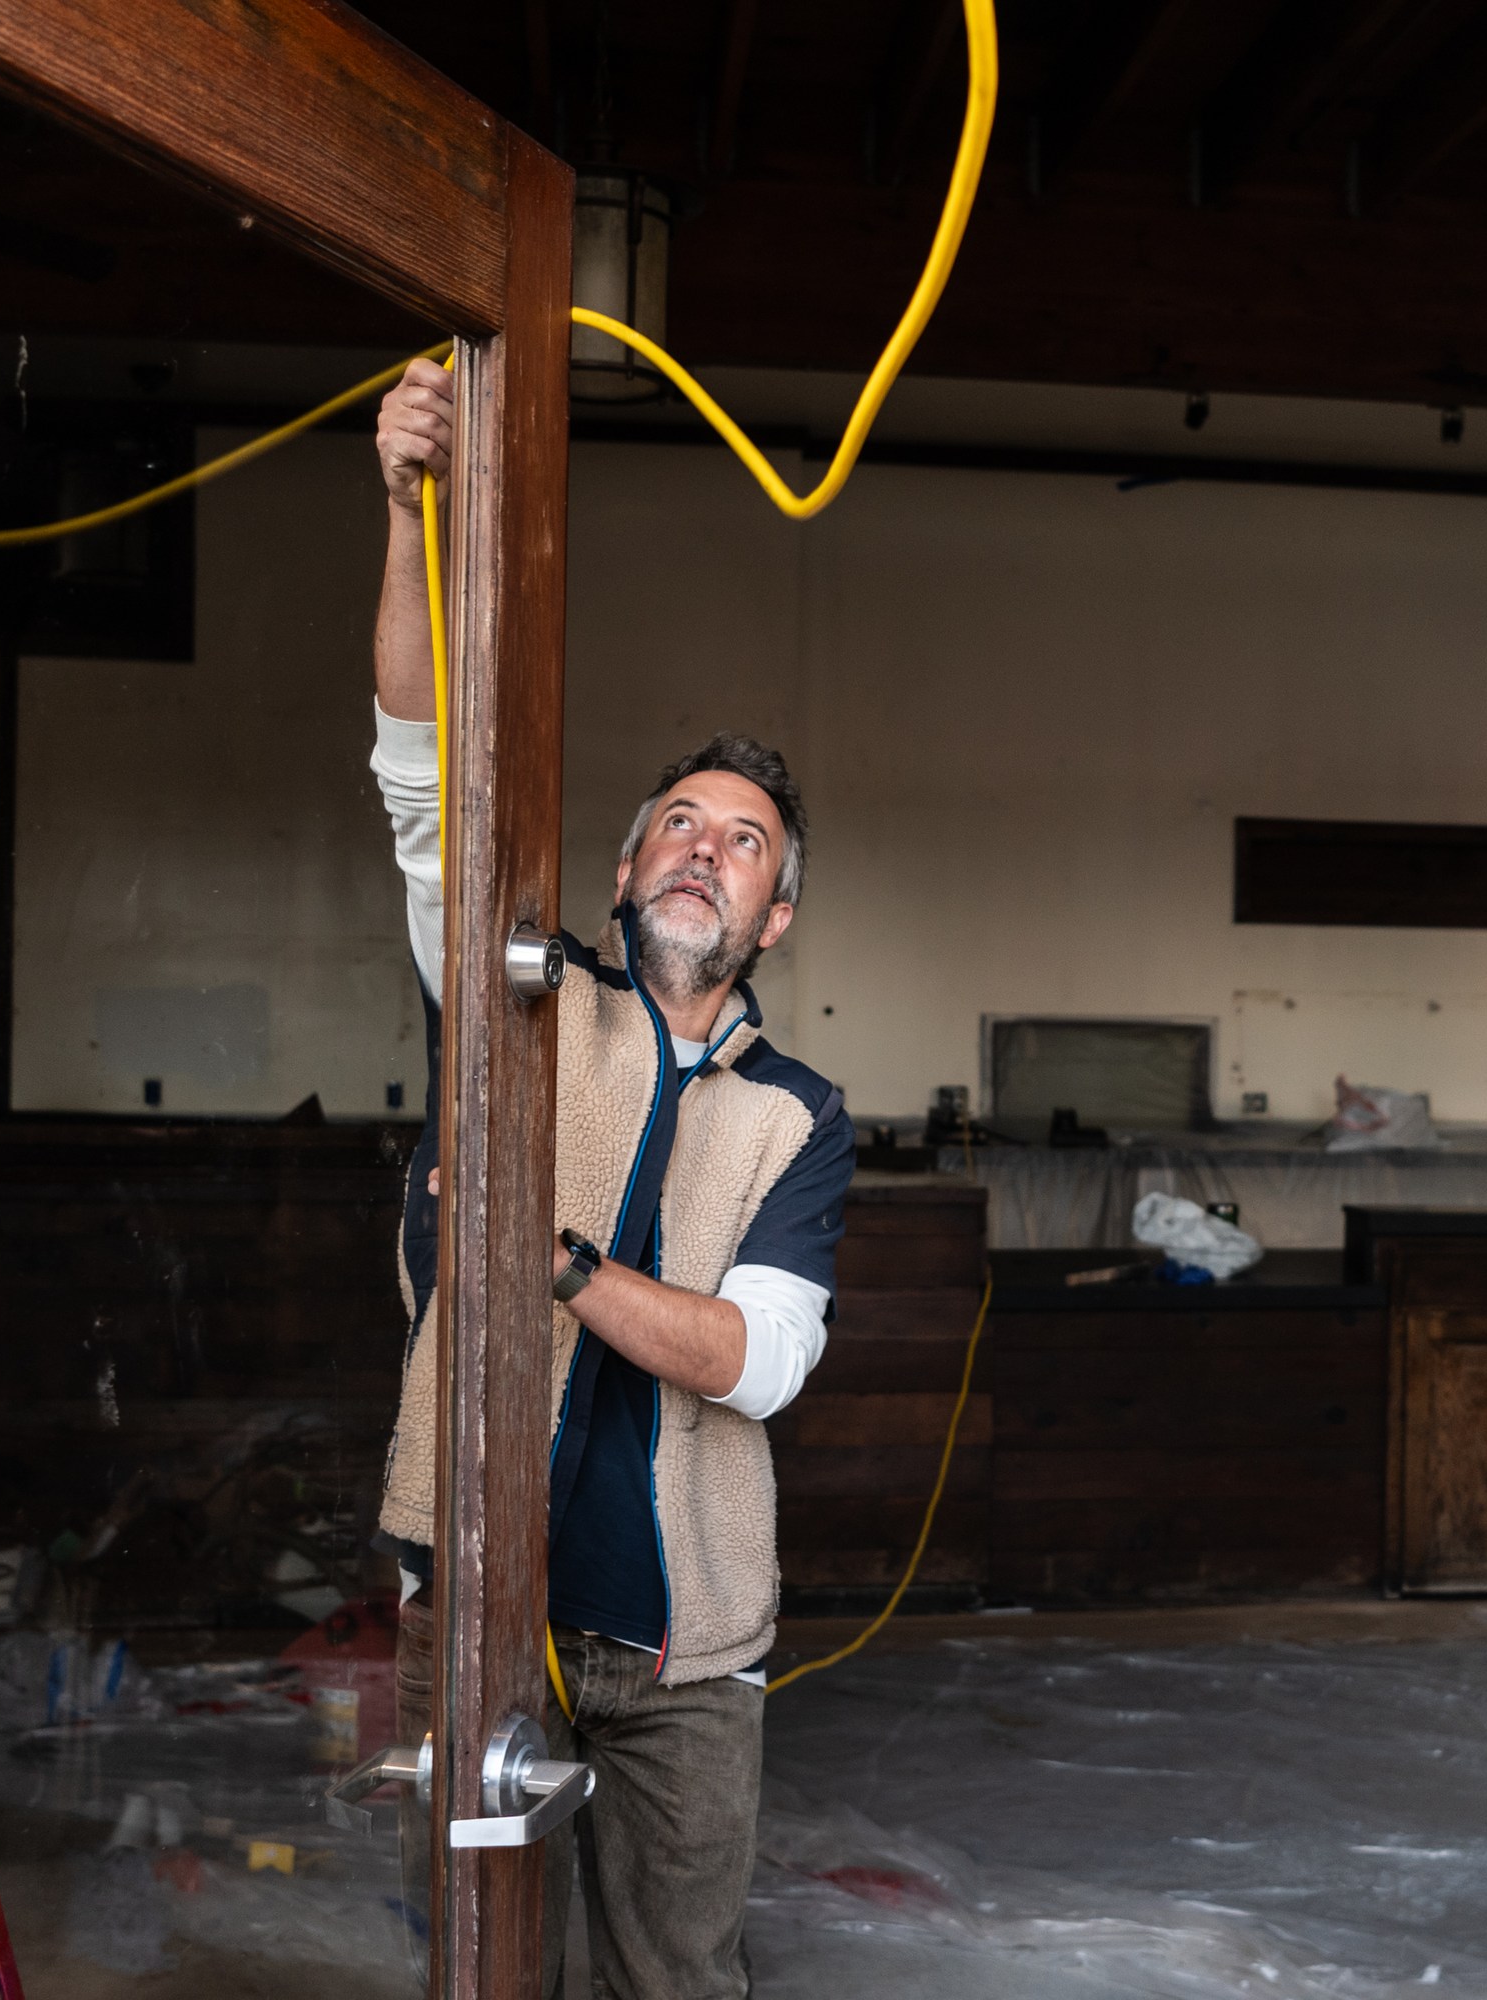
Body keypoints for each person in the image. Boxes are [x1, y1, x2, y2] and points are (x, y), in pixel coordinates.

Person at [368, 355, 855, 2000]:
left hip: (682, 1651)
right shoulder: (522, 1006)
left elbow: (759, 1364)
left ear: (774, 917)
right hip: (481, 1602)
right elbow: (423, 780)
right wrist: (406, 512)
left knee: (678, 1980)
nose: (704, 850)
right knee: (492, 1974)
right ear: (625, 864)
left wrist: (557, 1266)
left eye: (743, 843)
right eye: (678, 826)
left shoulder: (800, 1116)